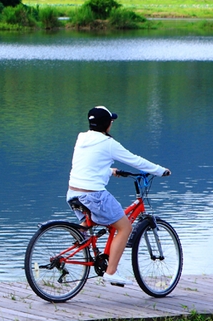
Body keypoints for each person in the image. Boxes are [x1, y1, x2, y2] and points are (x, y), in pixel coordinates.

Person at [67, 106, 170, 287]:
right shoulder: (109, 143)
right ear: (107, 124)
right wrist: (160, 171)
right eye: (111, 122)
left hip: (74, 193)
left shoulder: (81, 138)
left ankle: (82, 240)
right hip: (93, 195)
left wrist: (108, 171)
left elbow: (87, 165)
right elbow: (135, 160)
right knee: (125, 227)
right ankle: (111, 272)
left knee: (99, 223)